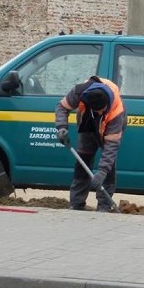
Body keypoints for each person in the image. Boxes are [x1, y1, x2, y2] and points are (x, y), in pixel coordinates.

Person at [54, 76, 126, 212]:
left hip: (109, 126)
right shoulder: (79, 92)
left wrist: (102, 171)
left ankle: (104, 206)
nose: (100, 112)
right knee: (83, 160)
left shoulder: (116, 111)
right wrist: (62, 127)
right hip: (88, 123)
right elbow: (62, 107)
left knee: (108, 166)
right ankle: (77, 203)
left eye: (102, 109)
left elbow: (111, 147)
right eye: (97, 110)